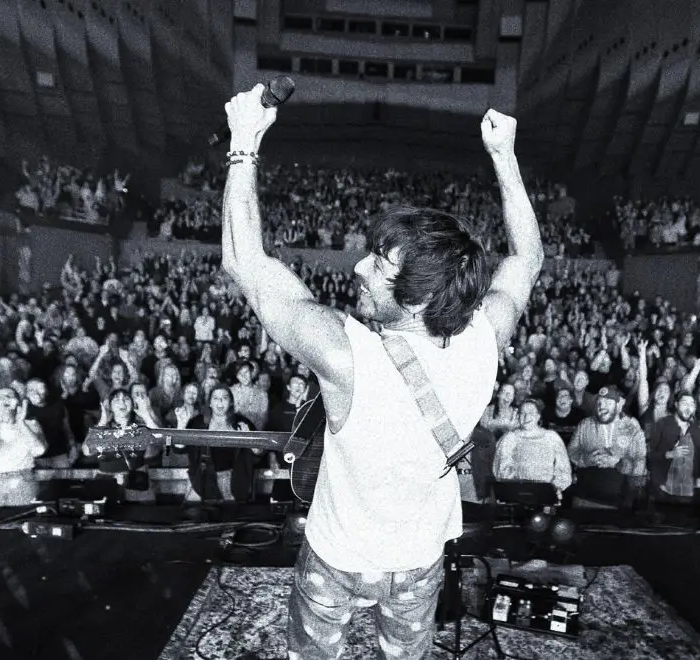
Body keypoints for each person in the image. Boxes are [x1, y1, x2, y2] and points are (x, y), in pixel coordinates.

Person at [220, 86, 542, 659]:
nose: (359, 266)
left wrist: (244, 143)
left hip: (337, 559)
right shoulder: (484, 338)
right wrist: (505, 160)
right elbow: (526, 261)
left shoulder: (349, 357)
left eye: (380, 264)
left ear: (418, 300)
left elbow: (245, 264)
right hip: (419, 561)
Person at [492, 399, 572, 501]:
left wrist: (557, 487)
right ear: (518, 416)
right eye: (522, 413)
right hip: (517, 494)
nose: (526, 417)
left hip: (545, 494)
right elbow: (500, 468)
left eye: (531, 413)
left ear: (538, 416)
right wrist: (518, 487)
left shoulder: (551, 437)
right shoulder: (509, 438)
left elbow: (563, 468)